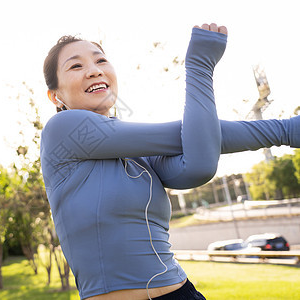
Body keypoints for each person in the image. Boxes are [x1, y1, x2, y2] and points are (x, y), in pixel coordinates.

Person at [40, 23, 299, 300]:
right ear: (55, 96)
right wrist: (199, 67)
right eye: (75, 66)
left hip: (182, 293)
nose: (94, 69)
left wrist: (287, 131)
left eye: (101, 60)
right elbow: (186, 134)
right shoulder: (61, 129)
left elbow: (199, 163)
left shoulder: (137, 152)